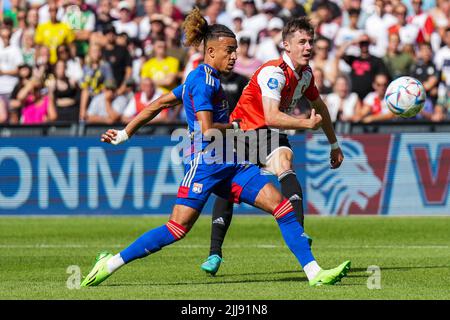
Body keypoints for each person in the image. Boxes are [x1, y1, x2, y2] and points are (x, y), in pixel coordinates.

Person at [80, 8, 350, 288]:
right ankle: (110, 263)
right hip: (206, 163)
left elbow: (160, 104)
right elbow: (208, 131)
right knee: (176, 229)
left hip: (231, 161)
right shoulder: (204, 81)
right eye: (229, 51)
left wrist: (126, 133)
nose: (234, 56)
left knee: (281, 207)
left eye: (235, 50)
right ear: (211, 53)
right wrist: (238, 126)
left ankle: (314, 272)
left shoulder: (204, 78)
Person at [201, 17, 345, 276]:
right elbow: (271, 115)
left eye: (310, 41)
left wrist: (334, 144)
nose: (308, 47)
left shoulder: (306, 75)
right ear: (286, 46)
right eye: (302, 42)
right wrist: (305, 124)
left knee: (285, 163)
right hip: (241, 132)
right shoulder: (274, 72)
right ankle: (214, 253)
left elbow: (320, 107)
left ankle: (298, 233)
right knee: (226, 188)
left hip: (269, 134)